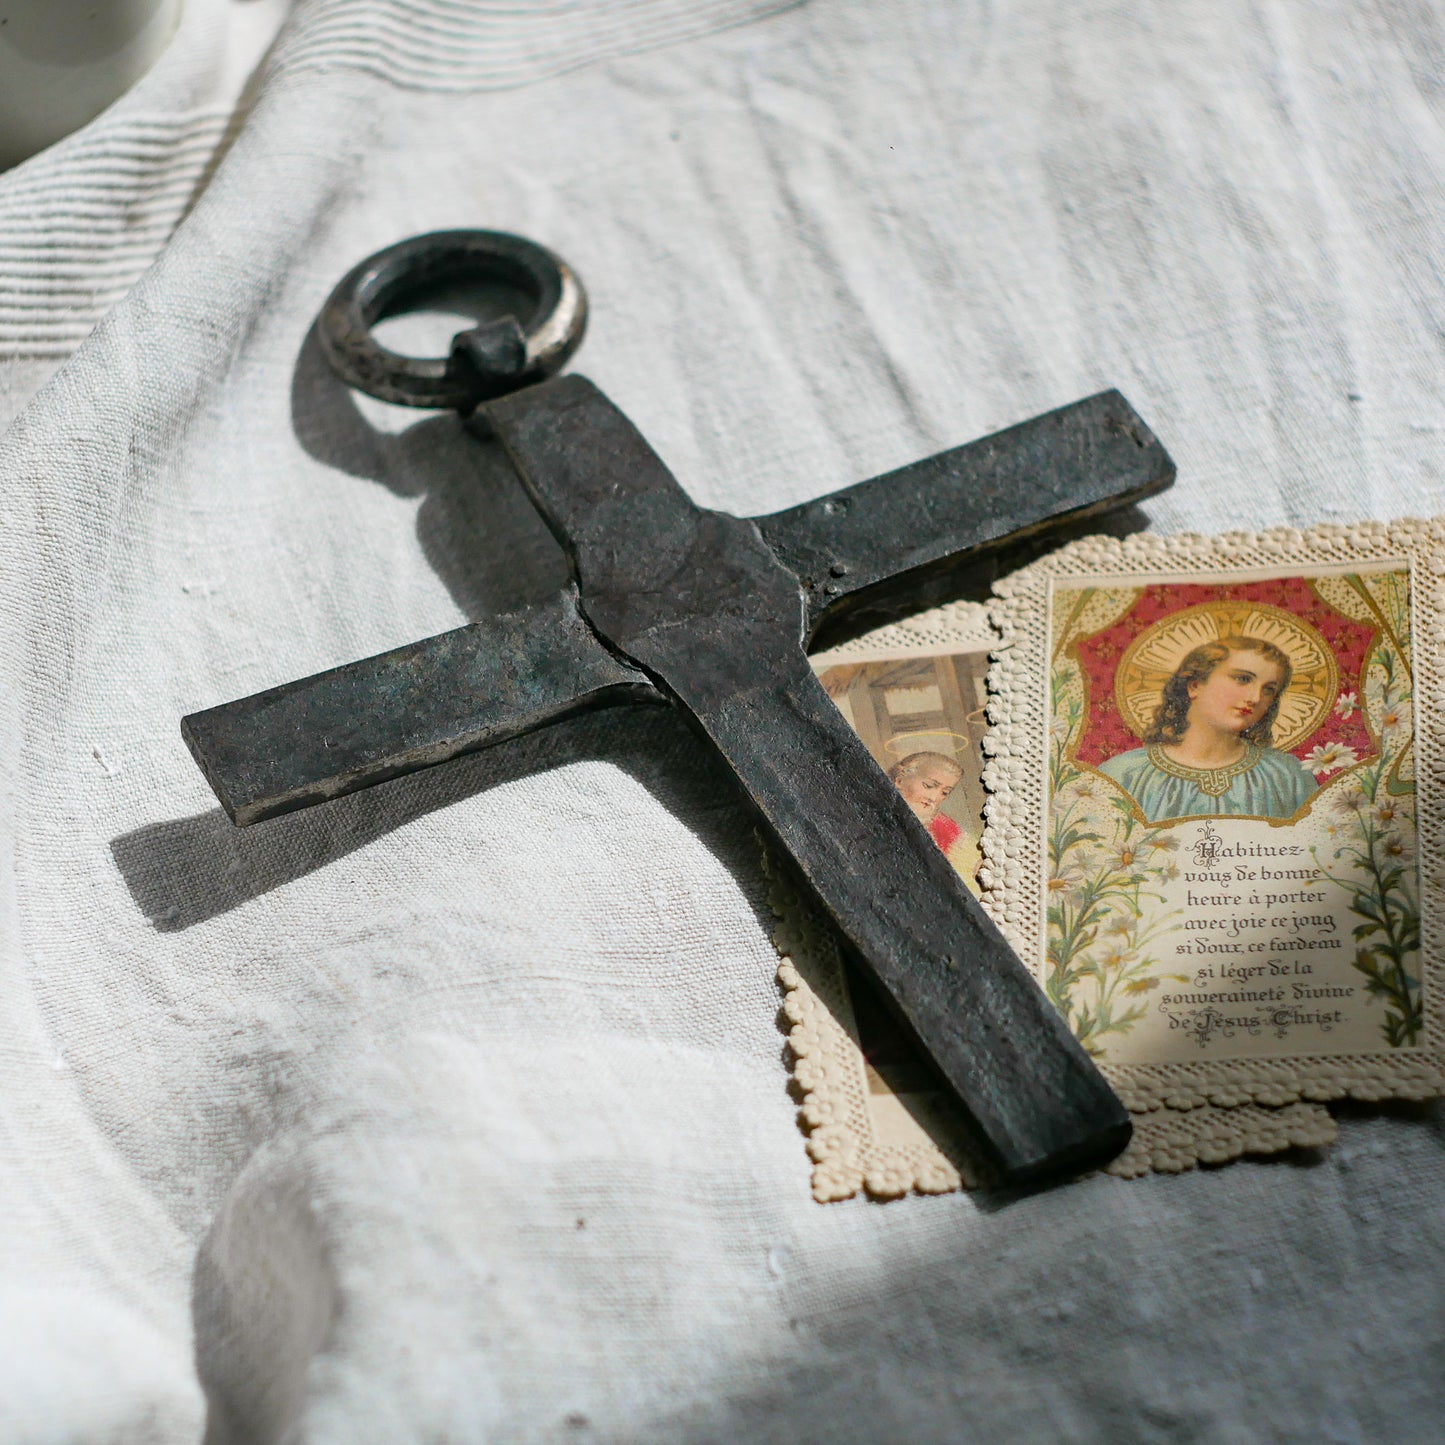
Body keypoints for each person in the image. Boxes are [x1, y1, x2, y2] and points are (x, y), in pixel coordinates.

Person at [1099, 634, 1316, 822]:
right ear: (1195, 685)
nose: (1255, 698)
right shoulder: (1124, 775)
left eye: (1269, 689)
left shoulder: (1288, 775)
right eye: (1243, 679)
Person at [887, 751, 978, 878]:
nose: (934, 798)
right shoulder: (876, 809)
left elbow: (973, 863)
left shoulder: (942, 824)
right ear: (900, 781)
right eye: (929, 786)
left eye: (945, 793)